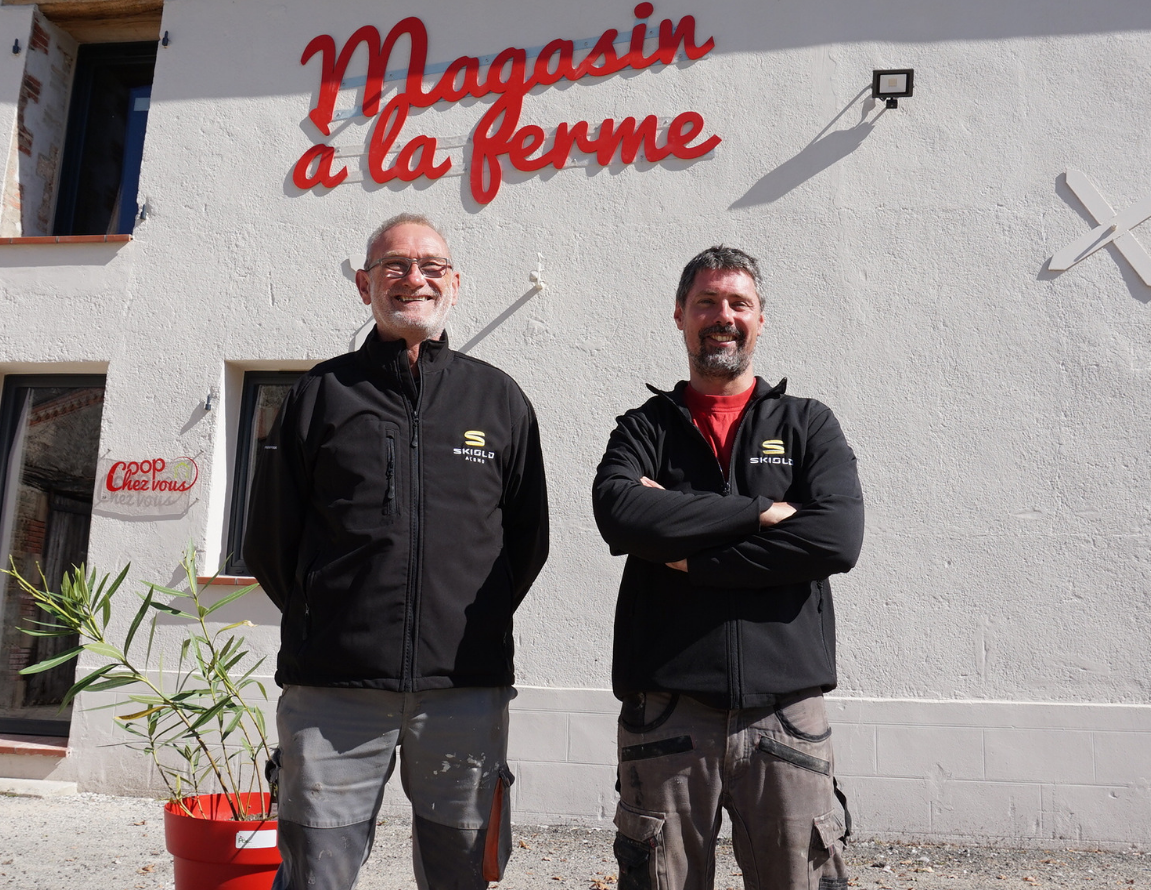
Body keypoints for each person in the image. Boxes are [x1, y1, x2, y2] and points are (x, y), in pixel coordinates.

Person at [245, 213, 549, 890]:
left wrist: (466, 623)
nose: (415, 279)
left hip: (462, 690)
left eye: (431, 267)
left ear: (454, 284)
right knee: (315, 877)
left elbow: (527, 541)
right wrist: (331, 621)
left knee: (460, 876)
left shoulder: (498, 400)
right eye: (395, 266)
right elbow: (268, 540)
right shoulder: (319, 395)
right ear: (365, 285)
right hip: (333, 690)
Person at [591, 245, 865, 890]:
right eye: (707, 302)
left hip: (786, 710)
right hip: (668, 708)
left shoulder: (807, 425)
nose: (723, 316)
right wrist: (762, 511)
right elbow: (619, 514)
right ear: (680, 315)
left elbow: (835, 540)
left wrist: (688, 552)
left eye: (739, 303)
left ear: (760, 318)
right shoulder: (645, 430)